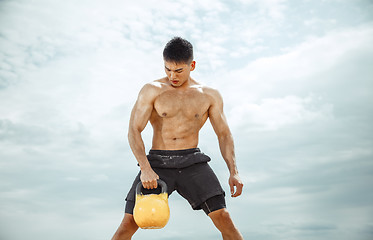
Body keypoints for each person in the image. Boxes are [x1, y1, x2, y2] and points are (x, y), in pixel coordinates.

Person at [111, 37, 244, 240]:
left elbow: (224, 134)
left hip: (192, 162)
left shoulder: (209, 95)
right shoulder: (152, 90)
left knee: (224, 218)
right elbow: (134, 130)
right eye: (167, 69)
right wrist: (146, 168)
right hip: (157, 164)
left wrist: (234, 172)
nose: (172, 75)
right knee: (128, 225)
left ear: (192, 65)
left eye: (179, 70)